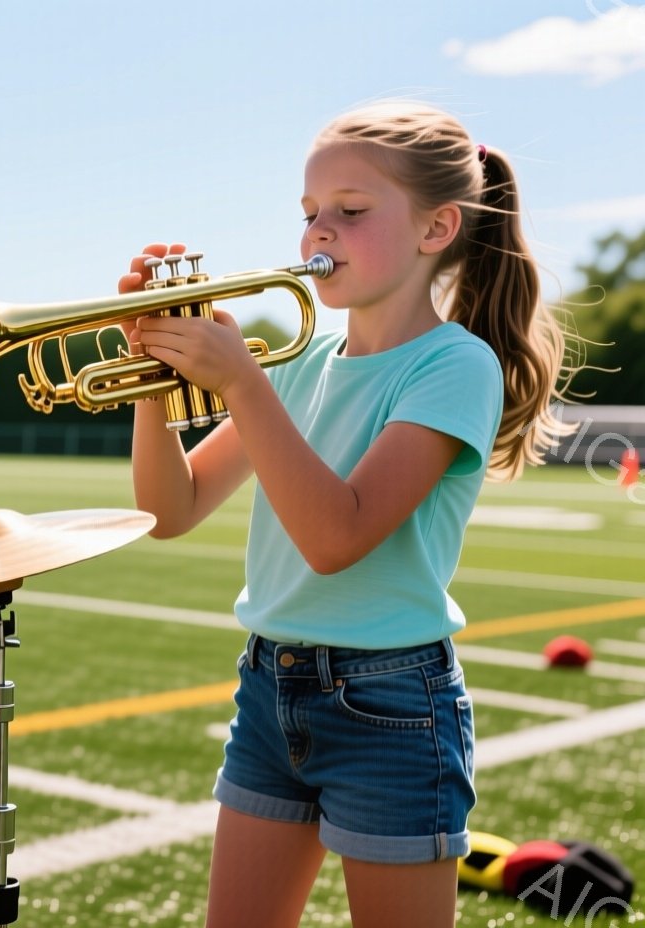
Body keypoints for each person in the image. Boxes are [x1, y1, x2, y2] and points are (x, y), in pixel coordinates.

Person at [123, 102, 571, 928]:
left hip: (392, 704)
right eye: (308, 214)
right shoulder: (299, 362)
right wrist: (156, 380)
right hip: (269, 688)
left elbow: (338, 536)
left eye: (351, 213)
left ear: (437, 227)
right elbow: (168, 510)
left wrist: (244, 383)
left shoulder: (455, 366)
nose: (316, 235)